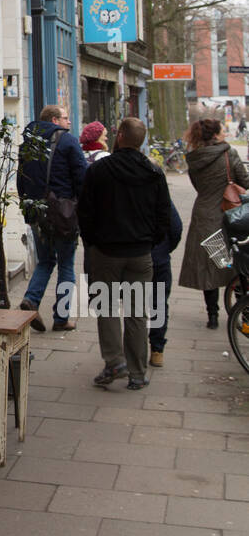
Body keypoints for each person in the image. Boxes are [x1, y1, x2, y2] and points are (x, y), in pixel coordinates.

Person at [78, 116, 172, 390]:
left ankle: (114, 361)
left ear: (120, 136)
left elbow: (86, 212)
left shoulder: (99, 170)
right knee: (137, 312)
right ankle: (137, 372)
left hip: (106, 251)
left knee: (106, 308)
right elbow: (164, 215)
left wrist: (92, 241)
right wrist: (150, 241)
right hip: (140, 253)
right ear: (141, 142)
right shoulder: (154, 173)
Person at [17, 104, 88, 333]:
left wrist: (27, 208)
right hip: (63, 214)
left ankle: (31, 301)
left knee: (46, 261)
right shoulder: (67, 141)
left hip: (37, 212)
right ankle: (62, 317)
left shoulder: (28, 141)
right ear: (55, 120)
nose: (69, 122)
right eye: (66, 118)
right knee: (66, 264)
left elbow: (21, 179)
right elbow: (82, 178)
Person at [179, 117, 249, 327]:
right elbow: (244, 181)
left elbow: (198, 186)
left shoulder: (194, 159)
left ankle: (212, 316)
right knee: (236, 265)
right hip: (229, 217)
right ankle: (243, 313)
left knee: (209, 264)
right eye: (222, 131)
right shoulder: (228, 154)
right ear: (216, 134)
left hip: (204, 216)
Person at [148, 200, 183, 367]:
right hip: (158, 258)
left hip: (132, 255)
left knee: (133, 303)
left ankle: (134, 348)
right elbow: (176, 227)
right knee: (159, 304)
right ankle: (157, 350)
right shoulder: (158, 187)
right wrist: (164, 249)